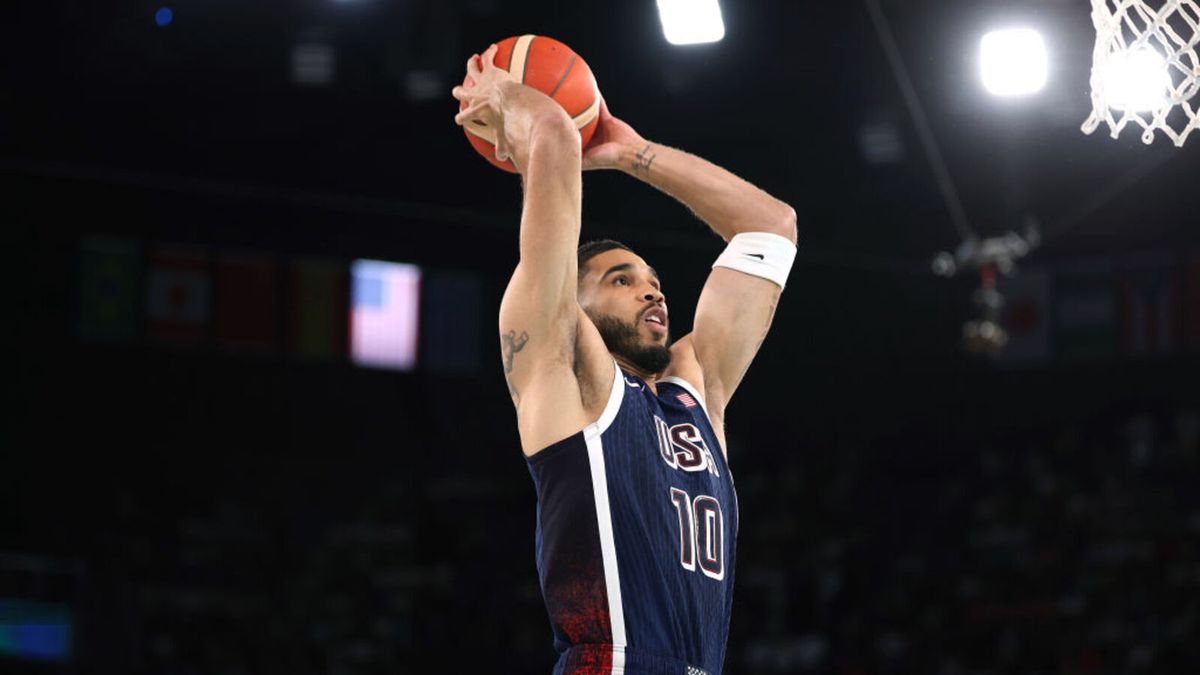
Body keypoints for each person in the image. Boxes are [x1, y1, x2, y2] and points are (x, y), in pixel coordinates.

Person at [453, 44, 797, 675]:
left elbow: (771, 228)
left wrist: (628, 150)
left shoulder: (694, 392)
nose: (652, 291)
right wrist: (505, 95)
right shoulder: (565, 368)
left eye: (654, 280)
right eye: (621, 279)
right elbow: (555, 134)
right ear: (573, 301)